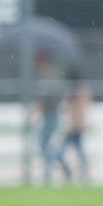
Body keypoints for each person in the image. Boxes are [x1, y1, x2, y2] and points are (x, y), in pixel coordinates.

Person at [31, 51, 70, 185]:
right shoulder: (53, 76)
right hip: (52, 114)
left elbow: (45, 98)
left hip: (51, 115)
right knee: (47, 144)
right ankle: (60, 164)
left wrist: (38, 109)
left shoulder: (48, 78)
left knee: (44, 144)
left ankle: (50, 172)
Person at [58, 64, 92, 184]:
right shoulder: (72, 93)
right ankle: (74, 173)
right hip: (72, 128)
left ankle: (82, 174)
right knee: (65, 153)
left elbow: (82, 107)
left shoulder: (81, 91)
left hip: (77, 128)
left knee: (76, 153)